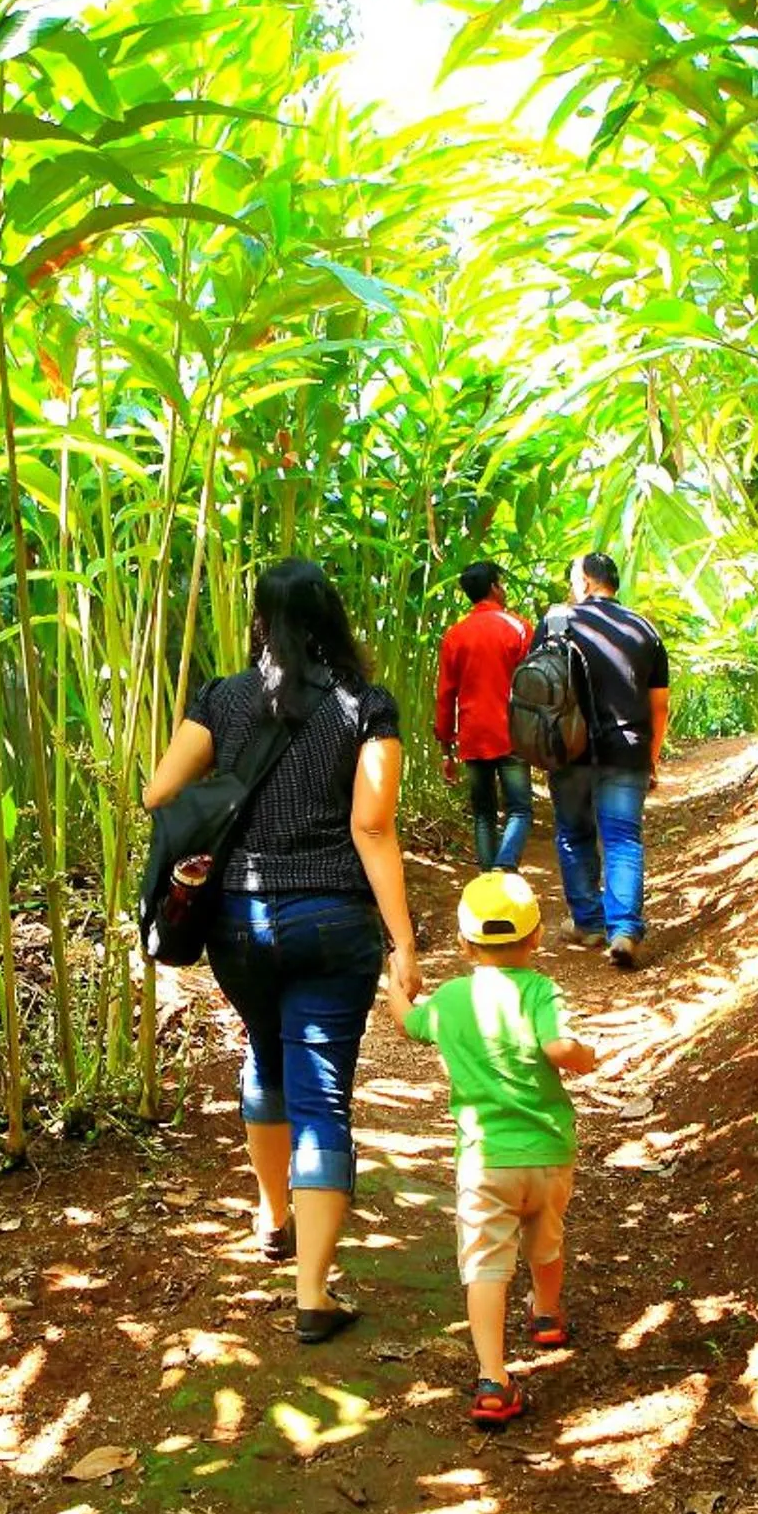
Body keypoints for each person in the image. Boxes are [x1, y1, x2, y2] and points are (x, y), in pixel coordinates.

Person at [143, 560, 421, 1345]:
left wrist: (225, 794)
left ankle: (273, 1218)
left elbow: (158, 792)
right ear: (332, 617)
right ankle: (312, 1294)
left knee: (266, 1055)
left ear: (259, 619)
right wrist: (403, 941)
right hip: (333, 919)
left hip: (239, 921)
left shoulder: (223, 698)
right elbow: (373, 826)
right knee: (322, 1092)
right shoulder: (365, 707)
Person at [383, 871, 596, 1426]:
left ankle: (493, 1379)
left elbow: (408, 1023)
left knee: (485, 1266)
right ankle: (547, 1315)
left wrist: (394, 982)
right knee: (546, 1241)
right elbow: (558, 1045)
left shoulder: (452, 999)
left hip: (484, 1162)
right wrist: (582, 1055)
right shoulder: (541, 990)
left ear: (462, 944)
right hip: (548, 1153)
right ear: (536, 939)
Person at [542, 552, 670, 968]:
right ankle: (625, 931)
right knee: (622, 838)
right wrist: (651, 759)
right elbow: (660, 706)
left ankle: (589, 922)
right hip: (627, 748)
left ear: (584, 581)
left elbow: (536, 688)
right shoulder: (644, 628)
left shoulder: (558, 622)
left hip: (569, 749)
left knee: (573, 833)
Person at [433, 561, 535, 873]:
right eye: (502, 584)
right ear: (493, 587)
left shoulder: (455, 635)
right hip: (512, 734)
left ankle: (486, 880)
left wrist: (445, 748)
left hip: (472, 735)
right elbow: (535, 685)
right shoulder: (519, 628)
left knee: (483, 813)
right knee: (519, 809)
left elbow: (445, 695)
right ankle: (504, 866)